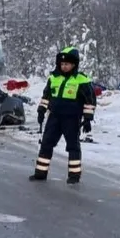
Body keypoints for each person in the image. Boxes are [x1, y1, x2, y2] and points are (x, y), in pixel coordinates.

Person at [29, 47, 96, 184]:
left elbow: (90, 100)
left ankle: (74, 175)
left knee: (73, 146)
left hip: (71, 118)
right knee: (46, 143)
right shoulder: (54, 78)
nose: (64, 66)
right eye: (62, 64)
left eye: (67, 64)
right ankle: (40, 173)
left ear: (74, 65)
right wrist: (41, 110)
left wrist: (88, 118)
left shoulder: (81, 80)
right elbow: (46, 96)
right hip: (54, 117)